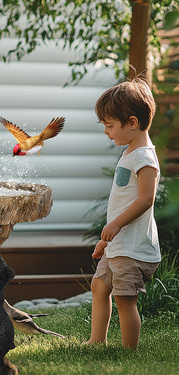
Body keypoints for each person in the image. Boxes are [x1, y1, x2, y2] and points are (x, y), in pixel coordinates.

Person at [86, 78, 161, 349]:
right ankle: (97, 341)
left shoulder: (144, 158)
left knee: (124, 300)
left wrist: (115, 226)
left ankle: (129, 351)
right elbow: (121, 202)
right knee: (99, 288)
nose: (106, 132)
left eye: (109, 125)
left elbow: (146, 199)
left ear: (132, 122)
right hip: (118, 245)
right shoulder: (130, 152)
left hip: (134, 248)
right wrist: (107, 240)